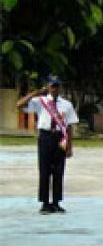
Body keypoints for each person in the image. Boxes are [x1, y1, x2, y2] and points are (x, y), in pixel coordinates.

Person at [17, 76, 79, 214]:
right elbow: (19, 105)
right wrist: (36, 93)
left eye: (57, 86)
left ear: (60, 87)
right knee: (44, 170)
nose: (55, 89)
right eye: (52, 86)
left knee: (59, 171)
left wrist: (69, 146)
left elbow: (69, 127)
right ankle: (45, 203)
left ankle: (56, 202)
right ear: (48, 87)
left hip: (61, 138)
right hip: (45, 137)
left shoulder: (66, 104)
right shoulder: (40, 101)